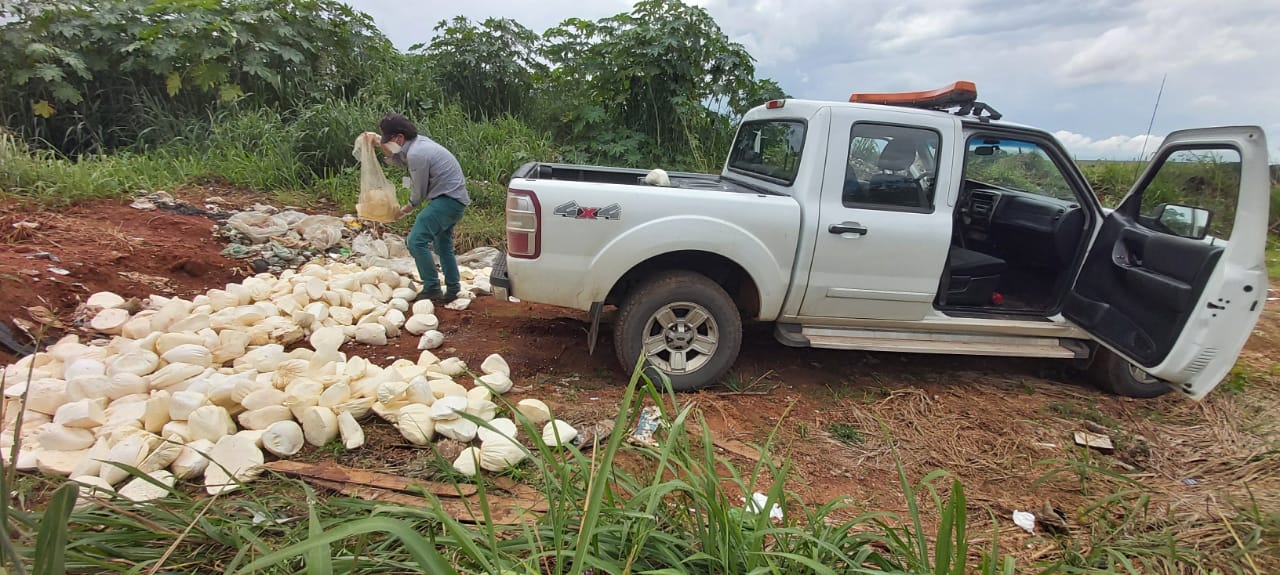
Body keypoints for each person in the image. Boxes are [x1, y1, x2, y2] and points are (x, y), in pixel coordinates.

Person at [367, 113, 471, 303]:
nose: (388, 144)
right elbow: (397, 160)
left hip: (447, 201)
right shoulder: (418, 144)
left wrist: (405, 209)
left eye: (388, 140)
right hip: (454, 200)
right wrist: (377, 143)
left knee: (416, 241)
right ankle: (454, 289)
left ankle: (431, 287)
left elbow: (419, 191)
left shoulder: (417, 154)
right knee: (442, 244)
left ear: (399, 137)